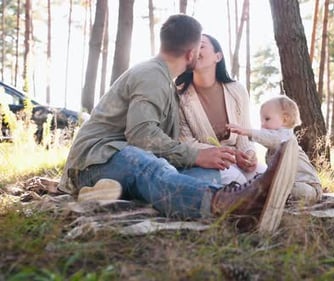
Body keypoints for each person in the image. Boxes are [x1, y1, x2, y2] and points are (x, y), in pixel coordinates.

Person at [57, 14, 290, 230]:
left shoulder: (167, 81)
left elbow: (168, 145)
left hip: (124, 162)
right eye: (198, 49)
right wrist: (196, 154)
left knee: (203, 173)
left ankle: (109, 194)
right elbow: (142, 136)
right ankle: (228, 206)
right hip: (95, 161)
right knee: (141, 160)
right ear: (190, 54)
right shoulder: (151, 75)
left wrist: (201, 159)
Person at [175, 34, 266, 185]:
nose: (195, 50)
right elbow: (186, 142)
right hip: (204, 162)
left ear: (218, 57)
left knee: (265, 176)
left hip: (236, 159)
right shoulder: (179, 95)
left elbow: (245, 134)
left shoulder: (237, 90)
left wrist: (249, 154)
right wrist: (229, 155)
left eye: (201, 46)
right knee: (236, 180)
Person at [228, 95, 323, 205]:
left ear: (284, 119)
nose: (262, 124)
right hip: (291, 184)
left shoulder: (286, 137)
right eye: (261, 120)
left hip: (309, 186)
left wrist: (247, 131)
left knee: (288, 190)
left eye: (267, 119)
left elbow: (272, 138)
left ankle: (275, 198)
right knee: (270, 185)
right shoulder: (272, 149)